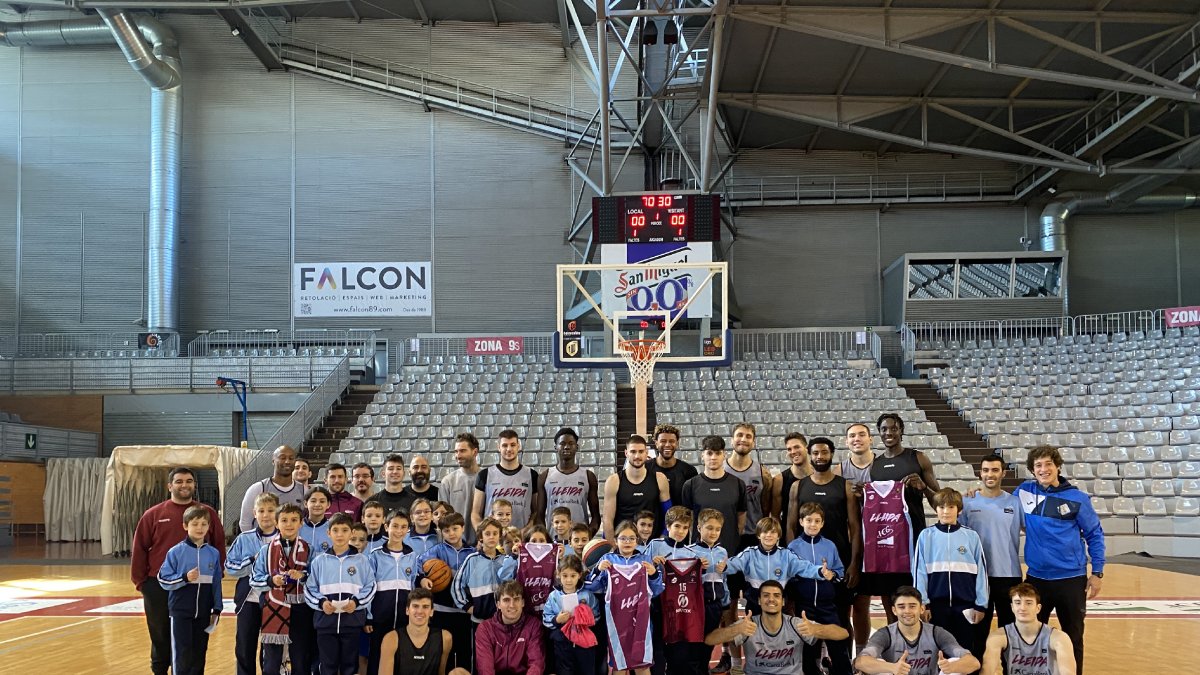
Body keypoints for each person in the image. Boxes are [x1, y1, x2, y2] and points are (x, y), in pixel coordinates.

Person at [1017, 445, 1104, 675]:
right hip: (1036, 579)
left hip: (1071, 580)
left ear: (1057, 467)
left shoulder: (1077, 498)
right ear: (1032, 470)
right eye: (1038, 465)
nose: (1043, 469)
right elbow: (999, 503)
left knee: (1073, 637)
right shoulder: (1023, 492)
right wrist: (974, 493)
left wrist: (1097, 572)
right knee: (1030, 637)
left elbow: (1095, 534)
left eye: (1048, 464)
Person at [131, 467, 225, 675]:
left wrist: (215, 578)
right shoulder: (154, 514)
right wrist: (142, 583)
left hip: (196, 587)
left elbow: (218, 545)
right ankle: (160, 670)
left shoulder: (207, 513)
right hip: (158, 585)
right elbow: (139, 548)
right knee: (160, 634)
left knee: (194, 638)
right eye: (179, 481)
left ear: (194, 485)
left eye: (189, 481)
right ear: (169, 486)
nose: (184, 485)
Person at [680, 435, 746, 674]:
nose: (714, 457)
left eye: (718, 453)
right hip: (700, 562)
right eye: (709, 453)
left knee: (730, 611)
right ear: (703, 455)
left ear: (724, 455)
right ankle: (697, 664)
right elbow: (687, 521)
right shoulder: (691, 485)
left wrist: (728, 550)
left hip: (727, 559)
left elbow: (740, 520)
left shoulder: (737, 484)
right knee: (698, 613)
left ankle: (733, 662)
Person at [703, 580, 849, 675]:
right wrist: (736, 629)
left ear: (783, 601)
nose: (771, 599)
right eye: (766, 595)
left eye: (776, 596)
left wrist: (816, 629)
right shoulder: (749, 625)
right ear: (759, 601)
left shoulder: (795, 624)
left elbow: (843, 633)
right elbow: (709, 640)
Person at [961, 453, 1024, 661]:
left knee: (1010, 634)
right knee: (977, 635)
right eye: (986, 470)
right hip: (977, 577)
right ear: (980, 473)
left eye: (995, 470)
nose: (990, 474)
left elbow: (1033, 531)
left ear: (1003, 473)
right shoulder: (967, 502)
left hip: (1009, 576)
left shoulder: (1015, 502)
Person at [912, 488, 988, 653]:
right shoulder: (926, 536)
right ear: (935, 509)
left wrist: (981, 605)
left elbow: (982, 573)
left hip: (966, 606)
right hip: (936, 608)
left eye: (951, 507)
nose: (946, 511)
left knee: (964, 651)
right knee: (937, 652)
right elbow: (919, 572)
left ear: (959, 510)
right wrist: (923, 603)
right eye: (942, 507)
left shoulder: (971, 536)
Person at [584, 519, 664, 675]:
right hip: (616, 622)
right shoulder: (608, 560)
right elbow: (591, 586)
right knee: (619, 665)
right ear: (615, 540)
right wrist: (598, 570)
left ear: (637, 540)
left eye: (632, 538)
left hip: (641, 621)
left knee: (642, 664)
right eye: (623, 538)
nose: (627, 542)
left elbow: (657, 590)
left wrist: (654, 574)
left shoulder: (645, 560)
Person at [305, 512, 377, 675]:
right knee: (328, 665)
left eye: (345, 530)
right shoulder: (319, 561)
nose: (340, 535)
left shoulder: (362, 561)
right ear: (328, 533)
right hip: (325, 624)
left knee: (349, 666)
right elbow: (309, 589)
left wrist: (356, 602)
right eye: (335, 530)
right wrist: (321, 603)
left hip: (352, 623)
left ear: (352, 533)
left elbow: (371, 586)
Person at [157, 505, 224, 675]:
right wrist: (184, 578)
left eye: (203, 524)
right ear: (185, 526)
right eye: (195, 524)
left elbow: (216, 582)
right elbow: (163, 578)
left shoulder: (213, 553)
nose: (200, 528)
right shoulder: (175, 552)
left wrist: (217, 608)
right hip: (180, 612)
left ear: (209, 526)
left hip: (203, 612)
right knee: (181, 654)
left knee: (199, 654)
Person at [854, 586, 981, 675]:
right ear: (894, 610)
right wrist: (892, 667)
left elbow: (973, 662)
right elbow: (860, 661)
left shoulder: (936, 633)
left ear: (921, 609)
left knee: (955, 663)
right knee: (876, 666)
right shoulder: (885, 634)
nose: (907, 611)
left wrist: (951, 667)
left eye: (912, 606)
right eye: (901, 607)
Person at [787, 502, 850, 675]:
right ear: (801, 521)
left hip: (827, 606)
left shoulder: (830, 546)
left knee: (838, 645)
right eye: (809, 520)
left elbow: (840, 572)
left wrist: (832, 575)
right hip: (804, 606)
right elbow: (789, 575)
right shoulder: (793, 547)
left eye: (817, 521)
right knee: (806, 649)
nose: (813, 524)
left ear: (822, 523)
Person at [726, 516, 834, 615]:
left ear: (778, 536)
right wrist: (723, 566)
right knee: (749, 626)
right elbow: (734, 563)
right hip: (753, 599)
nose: (769, 535)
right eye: (765, 532)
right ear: (758, 535)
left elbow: (805, 567)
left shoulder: (786, 555)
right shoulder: (749, 553)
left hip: (778, 599)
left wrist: (819, 571)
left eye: (773, 532)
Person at [251, 503, 312, 675]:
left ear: (301, 523)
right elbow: (254, 578)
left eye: (294, 520)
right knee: (272, 660)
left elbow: (317, 577)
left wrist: (303, 576)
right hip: (273, 606)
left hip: (301, 607)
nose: (289, 524)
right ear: (276, 523)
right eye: (284, 520)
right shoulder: (266, 550)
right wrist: (271, 580)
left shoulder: (309, 549)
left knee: (300, 657)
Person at [225, 492, 280, 675]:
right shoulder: (244, 538)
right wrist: (251, 561)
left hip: (275, 600)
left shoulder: (285, 539)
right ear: (254, 513)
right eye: (261, 511)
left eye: (271, 510)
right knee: (245, 645)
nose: (266, 515)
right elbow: (230, 567)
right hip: (249, 599)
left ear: (277, 512)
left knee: (271, 647)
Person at [417, 512, 476, 671]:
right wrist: (423, 578)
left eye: (455, 529)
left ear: (463, 528)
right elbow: (418, 565)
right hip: (441, 611)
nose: (451, 533)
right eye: (446, 530)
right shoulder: (437, 551)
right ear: (441, 532)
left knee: (465, 653)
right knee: (442, 653)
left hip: (464, 611)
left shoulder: (472, 553)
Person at [368, 509, 420, 675]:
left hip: (404, 616)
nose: (399, 531)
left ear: (408, 529)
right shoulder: (375, 555)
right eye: (395, 526)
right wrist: (368, 616)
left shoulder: (412, 556)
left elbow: (414, 585)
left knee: (401, 656)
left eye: (403, 527)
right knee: (377, 655)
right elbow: (368, 587)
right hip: (380, 616)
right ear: (386, 527)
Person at [981, 583, 1076, 675]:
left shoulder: (1059, 637)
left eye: (1028, 603)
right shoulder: (998, 636)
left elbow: (1068, 672)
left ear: (1038, 608)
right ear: (1012, 607)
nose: (1022, 608)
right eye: (1018, 603)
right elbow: (987, 670)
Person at [378, 588, 472, 675]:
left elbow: (441, 673)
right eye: (415, 606)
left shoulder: (445, 637)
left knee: (459, 672)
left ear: (431, 612)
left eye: (425, 607)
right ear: (407, 610)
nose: (420, 611)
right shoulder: (391, 639)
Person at [603, 434, 671, 540]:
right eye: (633, 452)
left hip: (652, 543)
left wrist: (662, 541)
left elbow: (668, 514)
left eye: (641, 451)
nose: (637, 456)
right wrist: (612, 546)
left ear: (646, 453)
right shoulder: (613, 481)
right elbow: (607, 520)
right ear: (626, 453)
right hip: (624, 544)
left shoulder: (660, 479)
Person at [452, 517, 517, 625]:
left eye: (495, 533)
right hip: (479, 621)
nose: (491, 537)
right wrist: (469, 607)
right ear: (480, 537)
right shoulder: (472, 559)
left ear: (499, 536)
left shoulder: (506, 560)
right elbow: (457, 586)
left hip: (504, 621)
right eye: (487, 534)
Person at [542, 554, 600, 675]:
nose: (569, 580)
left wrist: (586, 618)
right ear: (558, 575)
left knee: (586, 671)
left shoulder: (587, 595)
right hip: (562, 643)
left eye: (573, 576)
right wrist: (557, 620)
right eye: (565, 575)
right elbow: (546, 619)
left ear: (579, 575)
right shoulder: (553, 596)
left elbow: (597, 616)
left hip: (584, 644)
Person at [474, 579, 547, 675]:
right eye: (506, 600)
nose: (512, 605)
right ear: (498, 604)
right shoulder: (485, 628)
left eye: (516, 599)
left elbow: (536, 664)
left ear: (523, 603)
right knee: (458, 672)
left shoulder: (533, 625)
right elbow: (485, 668)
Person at [472, 429, 540, 530]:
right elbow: (475, 513)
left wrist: (525, 532)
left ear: (518, 446)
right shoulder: (485, 475)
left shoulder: (531, 475)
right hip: (493, 537)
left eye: (513, 445)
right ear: (498, 447)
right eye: (504, 445)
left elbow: (536, 512)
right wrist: (483, 533)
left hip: (521, 536)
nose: (509, 449)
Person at [537, 427, 601, 532]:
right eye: (562, 444)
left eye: (571, 443)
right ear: (555, 447)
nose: (566, 447)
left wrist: (586, 535)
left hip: (579, 538)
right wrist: (546, 537)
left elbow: (596, 517)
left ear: (577, 447)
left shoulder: (588, 476)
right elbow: (539, 516)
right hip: (554, 538)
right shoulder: (545, 477)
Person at [725, 423, 772, 547]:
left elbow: (765, 508)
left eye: (748, 436)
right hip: (724, 534)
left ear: (753, 442)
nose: (743, 439)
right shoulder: (720, 470)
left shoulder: (763, 474)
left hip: (753, 535)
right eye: (739, 435)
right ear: (731, 440)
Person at [239, 445, 304, 532]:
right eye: (282, 458)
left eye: (291, 458)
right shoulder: (258, 488)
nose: (287, 461)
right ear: (273, 461)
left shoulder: (303, 490)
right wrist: (253, 540)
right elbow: (245, 523)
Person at [440, 432, 482, 544]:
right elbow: (443, 518)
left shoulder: (487, 478)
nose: (458, 455)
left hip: (482, 543)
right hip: (456, 544)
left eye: (462, 451)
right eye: (456, 451)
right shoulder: (448, 482)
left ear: (475, 452)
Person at [772, 432, 811, 536]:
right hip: (789, 537)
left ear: (806, 448)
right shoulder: (779, 480)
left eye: (797, 447)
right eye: (789, 449)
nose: (793, 452)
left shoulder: (819, 475)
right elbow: (775, 515)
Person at [650, 423, 697, 507]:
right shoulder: (646, 468)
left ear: (677, 443)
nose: (667, 445)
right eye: (663, 441)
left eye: (672, 441)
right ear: (656, 443)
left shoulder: (689, 471)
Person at [300, 485, 334, 554]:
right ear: (305, 504)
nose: (317, 504)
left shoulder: (332, 528)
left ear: (328, 504)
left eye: (322, 501)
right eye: (313, 501)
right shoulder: (297, 526)